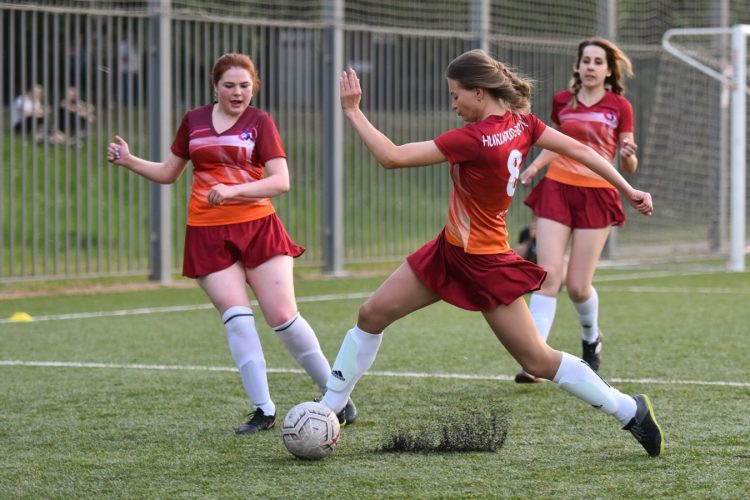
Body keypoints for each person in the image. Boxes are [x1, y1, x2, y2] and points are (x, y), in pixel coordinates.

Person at [319, 49, 664, 457]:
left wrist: (353, 111)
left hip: (484, 263)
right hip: (448, 251)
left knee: (537, 360)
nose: (453, 104)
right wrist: (629, 189)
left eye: (455, 95)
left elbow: (391, 157)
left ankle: (630, 410)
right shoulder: (523, 123)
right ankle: (332, 407)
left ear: (479, 92)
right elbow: (585, 152)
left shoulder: (475, 138)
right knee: (371, 314)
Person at [106, 52, 356, 434]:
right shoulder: (193, 121)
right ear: (215, 87)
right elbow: (169, 172)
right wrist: (129, 160)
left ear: (254, 86)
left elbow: (281, 181)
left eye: (245, 85)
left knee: (283, 318)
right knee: (237, 320)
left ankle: (336, 396)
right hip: (207, 233)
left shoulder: (260, 122)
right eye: (229, 85)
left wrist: (233, 191)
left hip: (257, 226)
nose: (238, 93)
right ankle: (264, 410)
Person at [515, 38, 639, 383]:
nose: (590, 67)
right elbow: (559, 143)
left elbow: (627, 166)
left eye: (598, 62)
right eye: (586, 60)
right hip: (557, 189)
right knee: (547, 275)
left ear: (608, 70)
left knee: (579, 287)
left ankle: (591, 338)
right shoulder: (561, 102)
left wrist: (628, 154)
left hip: (597, 194)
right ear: (578, 66)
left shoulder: (620, 106)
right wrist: (535, 167)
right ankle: (535, 359)